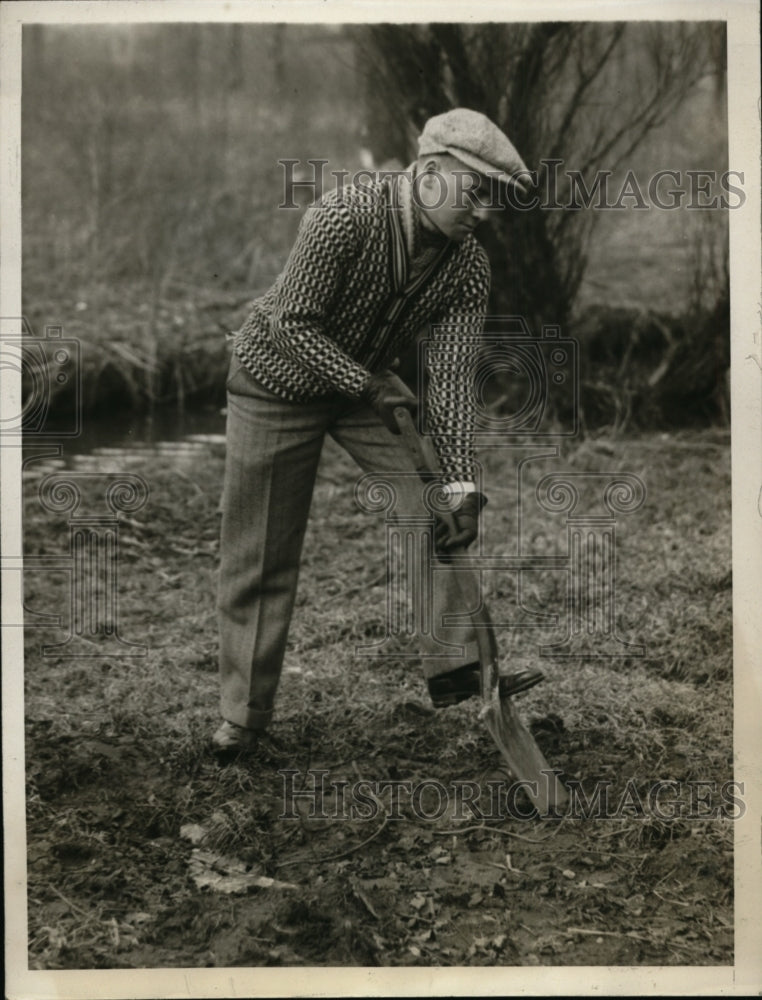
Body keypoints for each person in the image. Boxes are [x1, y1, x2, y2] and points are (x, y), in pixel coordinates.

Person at [213, 108, 543, 754]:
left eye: (492, 203)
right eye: (474, 193)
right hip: (276, 380)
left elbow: (448, 384)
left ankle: (457, 668)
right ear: (427, 173)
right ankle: (242, 718)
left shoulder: (466, 267)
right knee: (261, 552)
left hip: (365, 385)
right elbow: (292, 326)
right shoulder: (342, 217)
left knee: (434, 510)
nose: (482, 214)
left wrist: (462, 485)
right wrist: (368, 384)